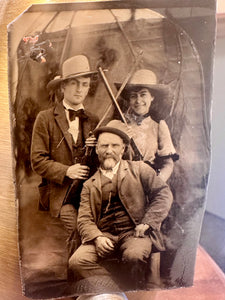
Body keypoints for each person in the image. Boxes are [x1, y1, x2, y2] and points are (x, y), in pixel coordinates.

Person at [69, 120, 173, 290]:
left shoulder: (139, 169)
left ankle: (130, 290)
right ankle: (114, 290)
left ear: (123, 149)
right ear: (96, 149)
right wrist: (97, 237)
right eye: (104, 146)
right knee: (76, 262)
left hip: (134, 233)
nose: (109, 151)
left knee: (134, 256)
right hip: (104, 235)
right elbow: (84, 219)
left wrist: (147, 223)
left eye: (115, 146)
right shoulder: (89, 184)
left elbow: (163, 194)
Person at [31, 55, 99, 256]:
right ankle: (78, 281)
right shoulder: (45, 118)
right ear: (62, 87)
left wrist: (96, 149)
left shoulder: (93, 119)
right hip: (61, 195)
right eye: (74, 84)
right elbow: (38, 160)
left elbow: (100, 163)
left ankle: (80, 280)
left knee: (95, 233)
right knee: (79, 231)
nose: (80, 89)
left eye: (84, 85)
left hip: (89, 194)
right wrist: (68, 170)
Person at [115, 69, 178, 182]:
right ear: (129, 100)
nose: (138, 101)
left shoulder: (159, 126)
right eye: (133, 96)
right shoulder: (120, 123)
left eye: (143, 95)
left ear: (152, 97)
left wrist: (156, 183)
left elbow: (168, 164)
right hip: (122, 182)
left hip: (149, 181)